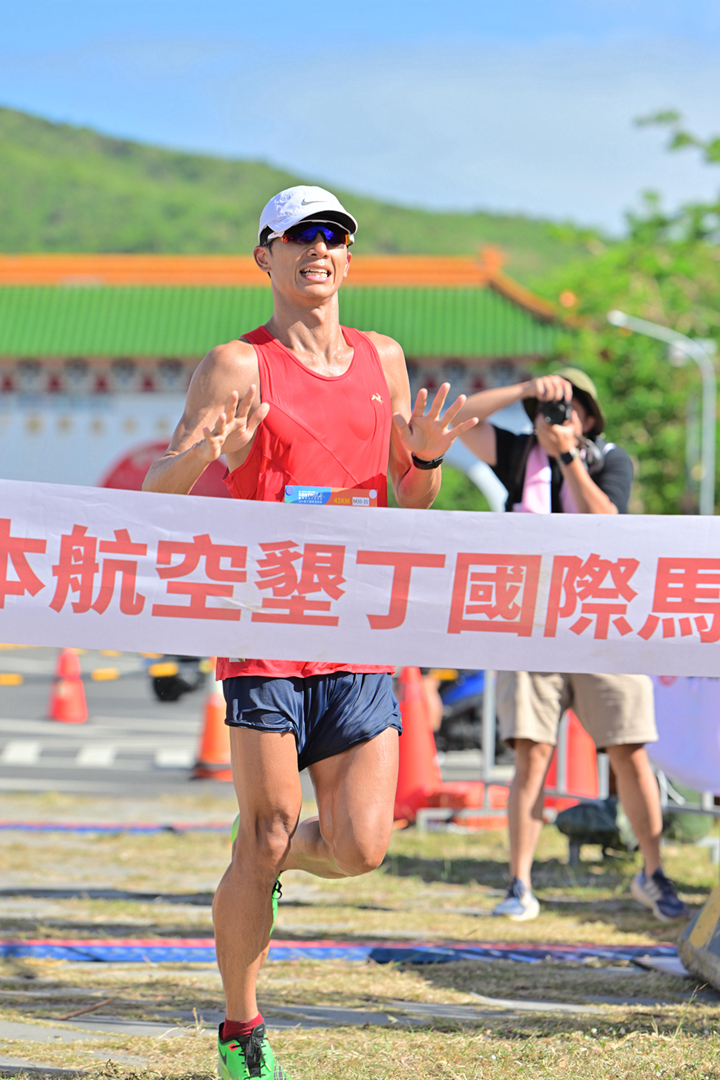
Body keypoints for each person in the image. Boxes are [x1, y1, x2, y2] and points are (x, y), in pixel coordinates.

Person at [143, 185, 477, 1080]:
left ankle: (256, 869)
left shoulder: (384, 359)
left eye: (333, 237)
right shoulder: (235, 366)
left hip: (357, 625)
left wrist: (433, 459)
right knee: (268, 829)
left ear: (348, 260)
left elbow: (407, 498)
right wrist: (207, 454)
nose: (318, 250)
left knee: (363, 845)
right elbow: (156, 497)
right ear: (265, 258)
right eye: (298, 237)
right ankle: (242, 1031)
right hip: (264, 625)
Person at [456, 368, 690, 923]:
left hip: (601, 624)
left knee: (630, 749)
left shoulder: (611, 458)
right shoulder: (516, 452)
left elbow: (606, 519)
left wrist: (565, 458)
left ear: (589, 416)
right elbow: (461, 417)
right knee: (531, 754)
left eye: (568, 409)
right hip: (531, 624)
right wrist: (523, 392)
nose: (556, 419)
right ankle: (519, 882)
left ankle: (653, 873)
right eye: (548, 411)